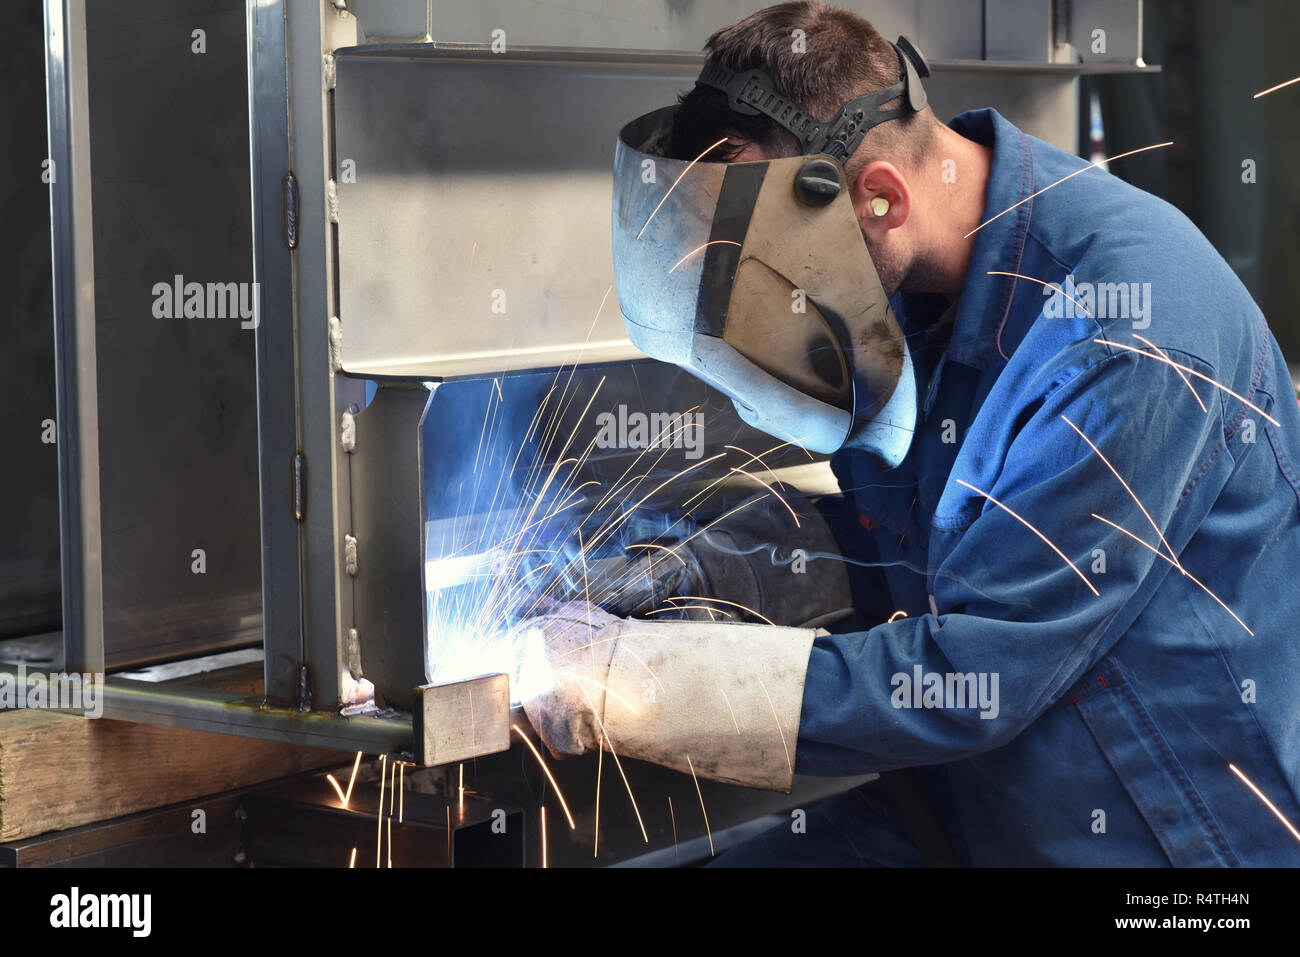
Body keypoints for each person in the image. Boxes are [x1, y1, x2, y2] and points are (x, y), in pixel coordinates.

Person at [514, 1, 1300, 865]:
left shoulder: (1126, 328)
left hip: (1163, 845)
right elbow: (918, 538)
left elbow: (979, 672)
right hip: (969, 808)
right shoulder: (891, 298)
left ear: (879, 197)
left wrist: (648, 687)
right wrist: (718, 566)